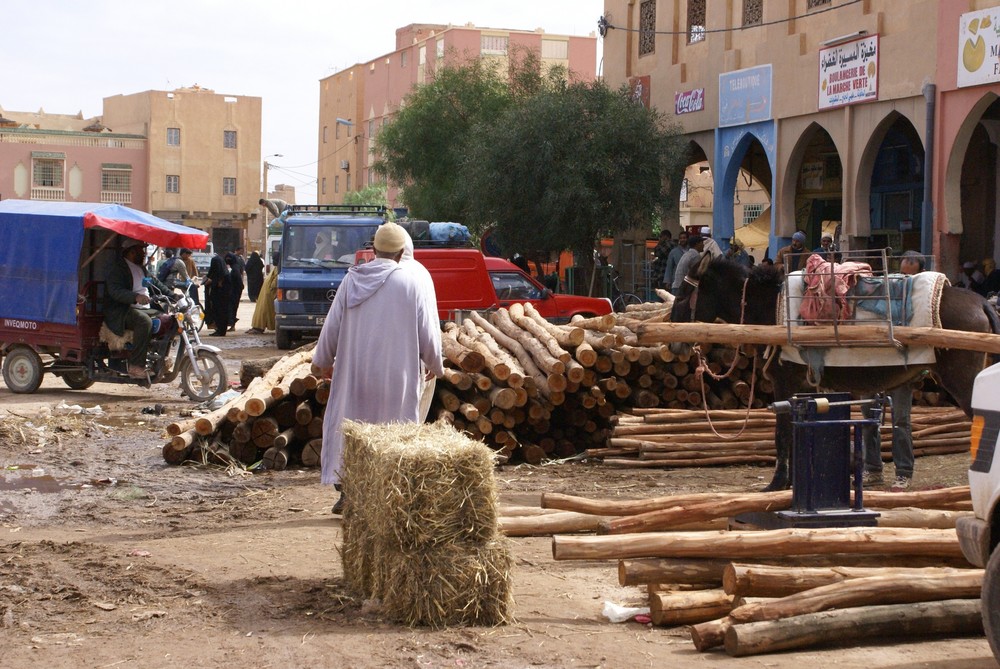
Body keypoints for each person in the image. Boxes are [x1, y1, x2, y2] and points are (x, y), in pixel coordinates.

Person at [312, 222, 444, 515]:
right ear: (401, 254)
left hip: (355, 373)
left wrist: (321, 361)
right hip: (396, 375)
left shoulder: (351, 280)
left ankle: (349, 494)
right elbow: (428, 331)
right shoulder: (410, 281)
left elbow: (331, 325)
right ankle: (389, 500)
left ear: (373, 251)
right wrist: (435, 363)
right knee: (393, 435)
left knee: (353, 433)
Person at [103, 237, 172, 378]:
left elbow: (157, 284)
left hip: (144, 308)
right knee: (144, 321)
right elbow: (115, 290)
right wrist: (135, 297)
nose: (144, 253)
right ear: (131, 252)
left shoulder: (142, 268)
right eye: (141, 250)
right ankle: (136, 366)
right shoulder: (118, 269)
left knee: (168, 320)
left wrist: (174, 295)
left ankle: (160, 361)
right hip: (122, 311)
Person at [247, 258, 278, 335]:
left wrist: (271, 287)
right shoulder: (277, 267)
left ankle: (259, 327)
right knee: (260, 310)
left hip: (269, 293)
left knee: (264, 311)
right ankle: (256, 326)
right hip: (266, 292)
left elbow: (276, 280)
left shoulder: (279, 268)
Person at [203, 251, 231, 336]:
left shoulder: (224, 276)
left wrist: (211, 282)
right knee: (220, 313)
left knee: (220, 313)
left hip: (220, 298)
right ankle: (220, 329)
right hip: (221, 299)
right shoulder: (224, 273)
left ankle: (221, 330)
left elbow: (218, 282)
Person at [225, 251, 245, 331]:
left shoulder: (235, 269)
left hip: (234, 292)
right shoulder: (234, 267)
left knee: (232, 308)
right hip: (235, 291)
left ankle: (232, 324)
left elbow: (239, 282)